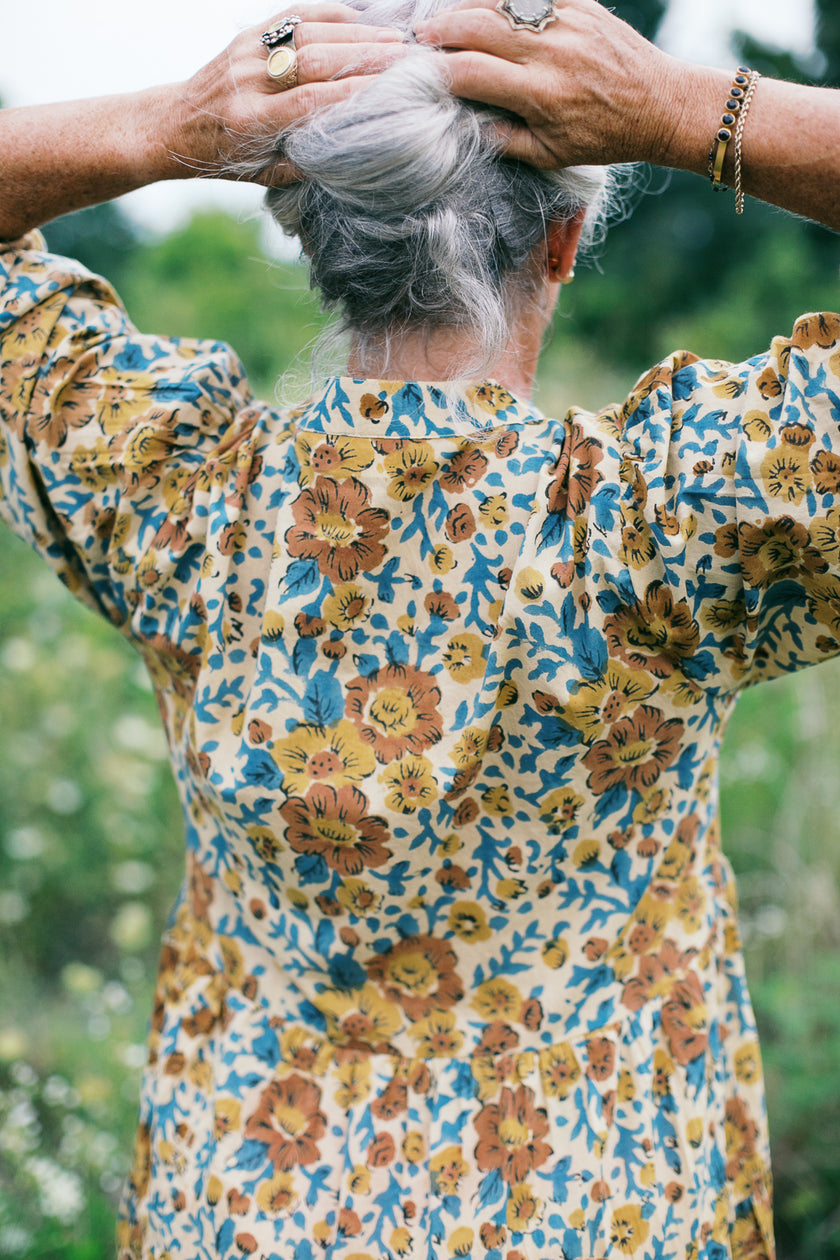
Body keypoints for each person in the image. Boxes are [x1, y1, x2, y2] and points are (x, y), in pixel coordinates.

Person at [1, 1, 839, 1257]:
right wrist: (689, 112)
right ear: (563, 245)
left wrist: (164, 131)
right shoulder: (674, 515)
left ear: (310, 236)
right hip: (608, 1216)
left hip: (243, 1215)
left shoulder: (176, 499)